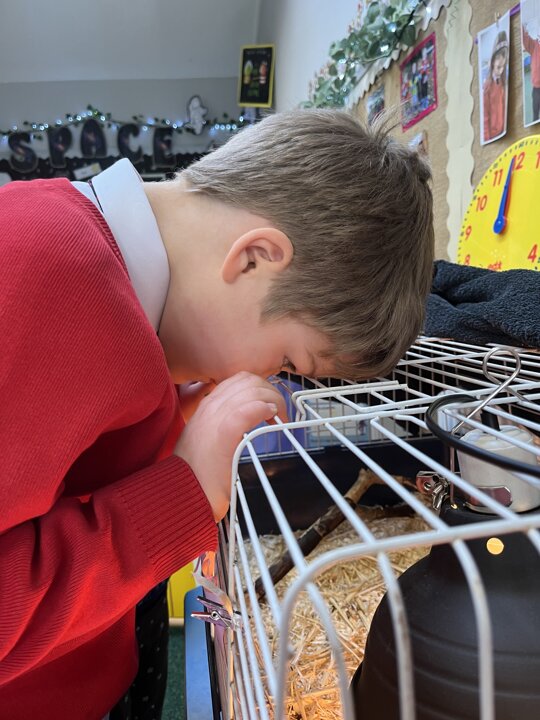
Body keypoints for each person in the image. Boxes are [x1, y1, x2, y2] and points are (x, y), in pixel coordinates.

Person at [0, 108, 434, 720]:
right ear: (253, 257)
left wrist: (168, 426)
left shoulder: (107, 290)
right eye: (288, 360)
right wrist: (183, 494)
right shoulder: (45, 271)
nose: (270, 377)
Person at [482, 30, 509, 142]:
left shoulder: (503, 83)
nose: (500, 71)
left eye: (503, 67)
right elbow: (485, 117)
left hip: (503, 132)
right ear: (492, 62)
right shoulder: (487, 86)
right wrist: (487, 138)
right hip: (492, 136)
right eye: (498, 67)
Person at [522, 21, 540, 123]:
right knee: (535, 116)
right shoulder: (534, 45)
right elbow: (525, 40)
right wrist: (523, 29)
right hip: (537, 89)